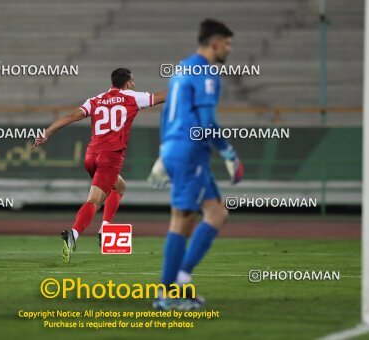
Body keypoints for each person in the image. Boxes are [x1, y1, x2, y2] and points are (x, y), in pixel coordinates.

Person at [149, 19, 244, 310]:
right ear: (215, 42)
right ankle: (166, 295)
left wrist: (165, 152)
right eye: (227, 43)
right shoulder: (206, 73)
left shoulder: (181, 68)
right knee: (182, 220)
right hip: (191, 151)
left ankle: (180, 278)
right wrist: (228, 153)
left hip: (179, 148)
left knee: (216, 213)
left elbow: (168, 115)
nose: (229, 49)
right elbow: (207, 123)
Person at [33, 68, 166, 263]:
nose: (134, 85)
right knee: (94, 201)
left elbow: (71, 116)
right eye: (133, 81)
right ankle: (74, 235)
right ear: (128, 82)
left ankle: (105, 228)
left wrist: (47, 132)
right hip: (110, 156)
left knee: (119, 186)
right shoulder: (132, 97)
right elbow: (162, 97)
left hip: (91, 156)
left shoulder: (96, 100)